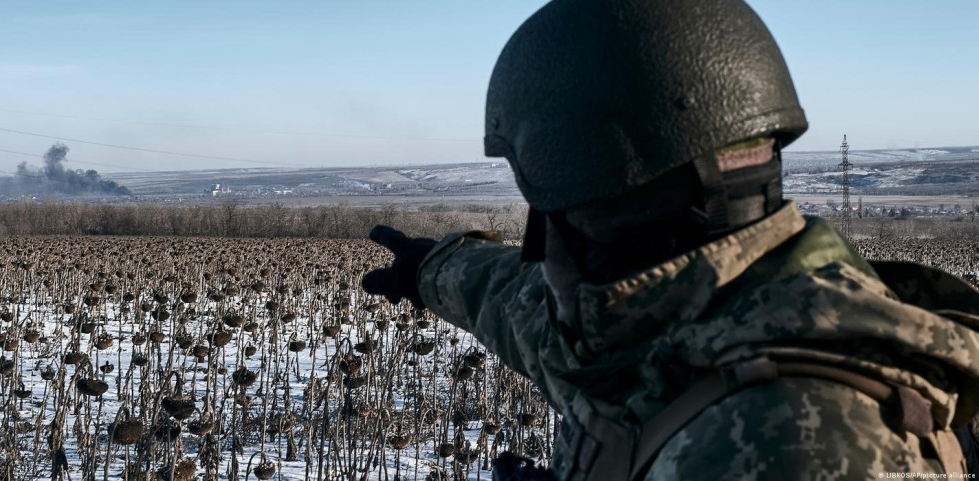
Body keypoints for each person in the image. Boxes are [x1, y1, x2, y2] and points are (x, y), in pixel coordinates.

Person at [362, 0, 979, 479]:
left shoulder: (798, 440)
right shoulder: (666, 323)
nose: (542, 242)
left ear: (599, 194)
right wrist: (431, 268)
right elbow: (522, 309)